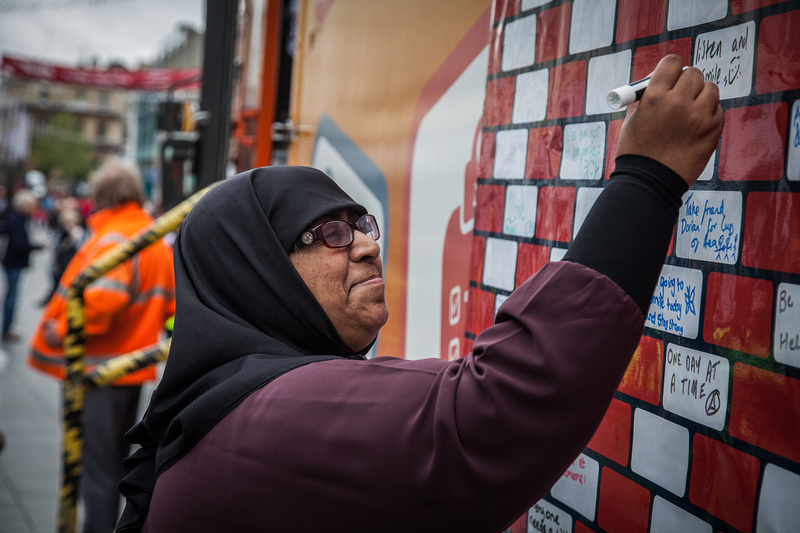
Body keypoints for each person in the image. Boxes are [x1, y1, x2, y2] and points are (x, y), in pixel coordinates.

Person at [117, 55, 723, 533]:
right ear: (254, 273)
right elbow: (490, 418)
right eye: (326, 232)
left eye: (361, 223)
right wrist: (648, 178)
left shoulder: (227, 406)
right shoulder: (267, 417)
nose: (364, 245)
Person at [28, 162, 175, 533]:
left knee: (96, 470)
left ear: (102, 197)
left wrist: (57, 331)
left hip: (96, 371)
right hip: (126, 368)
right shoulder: (150, 237)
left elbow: (102, 303)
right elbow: (169, 309)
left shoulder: (114, 238)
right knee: (112, 465)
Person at [1, 189, 44, 342]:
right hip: (13, 262)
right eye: (30, 206)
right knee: (11, 297)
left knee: (11, 295)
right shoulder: (16, 220)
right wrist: (37, 247)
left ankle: (7, 328)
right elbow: (19, 243)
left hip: (13, 262)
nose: (33, 209)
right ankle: (6, 329)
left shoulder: (18, 219)